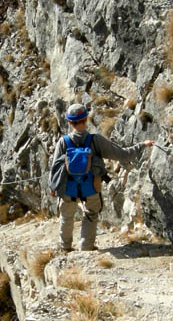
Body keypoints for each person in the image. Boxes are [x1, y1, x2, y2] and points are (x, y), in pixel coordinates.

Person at [49, 103, 154, 251]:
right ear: (85, 119)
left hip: (68, 188)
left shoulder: (63, 142)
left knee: (66, 217)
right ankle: (86, 247)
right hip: (91, 186)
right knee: (91, 214)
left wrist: (53, 188)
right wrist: (143, 144)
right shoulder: (95, 140)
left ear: (69, 122)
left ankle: (65, 247)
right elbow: (122, 154)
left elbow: (54, 168)